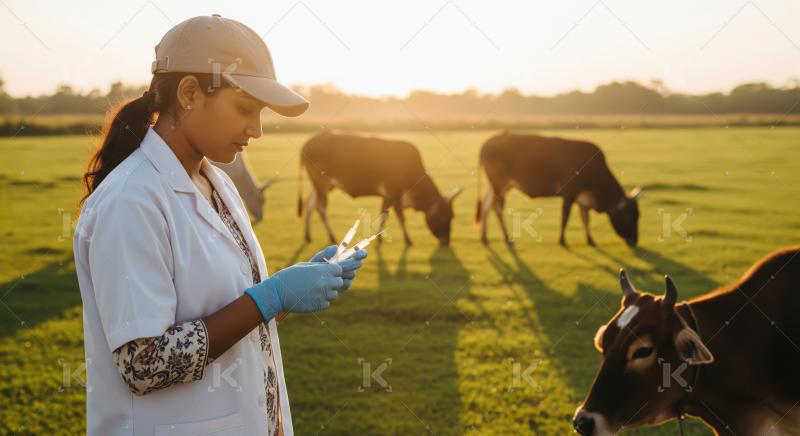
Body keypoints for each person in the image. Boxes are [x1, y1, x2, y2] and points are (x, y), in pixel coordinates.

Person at [72, 14, 366, 435]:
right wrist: (271, 296)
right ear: (189, 93)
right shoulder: (131, 200)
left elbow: (227, 307)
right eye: (245, 108)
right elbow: (144, 364)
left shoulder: (218, 183)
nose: (257, 129)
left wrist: (289, 291)